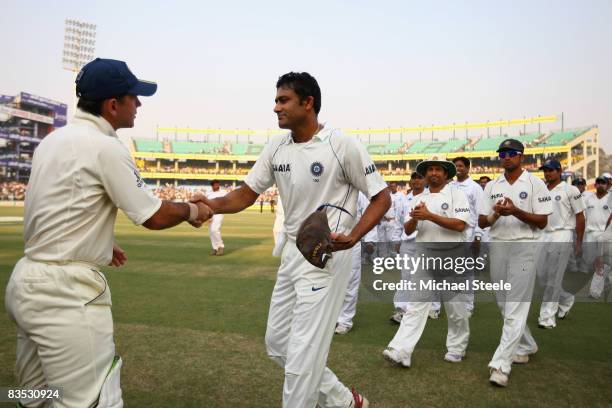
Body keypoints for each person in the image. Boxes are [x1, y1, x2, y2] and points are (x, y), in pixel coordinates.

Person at [4, 58, 213, 408]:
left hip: (26, 283)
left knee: (36, 397)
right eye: (134, 96)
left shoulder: (53, 142)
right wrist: (193, 210)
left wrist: (97, 239)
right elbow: (154, 216)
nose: (139, 103)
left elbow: (53, 207)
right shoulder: (106, 146)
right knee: (91, 402)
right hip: (65, 295)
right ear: (113, 104)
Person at [191, 72, 389, 408]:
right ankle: (343, 400)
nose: (275, 107)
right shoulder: (277, 146)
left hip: (327, 255)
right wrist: (209, 204)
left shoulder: (342, 145)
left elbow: (381, 197)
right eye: (276, 100)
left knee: (302, 354)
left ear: (307, 103)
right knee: (278, 343)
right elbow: (245, 194)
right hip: (294, 252)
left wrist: (354, 236)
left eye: (283, 100)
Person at [383, 157, 471, 367]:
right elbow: (408, 229)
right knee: (416, 305)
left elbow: (459, 225)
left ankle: (457, 347)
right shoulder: (417, 198)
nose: (433, 173)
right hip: (424, 255)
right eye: (429, 170)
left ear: (446, 174)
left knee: (455, 308)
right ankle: (401, 350)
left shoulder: (457, 194)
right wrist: (416, 218)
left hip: (451, 255)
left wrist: (429, 216)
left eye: (437, 170)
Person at [478, 139, 552, 387]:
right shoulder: (491, 186)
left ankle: (501, 365)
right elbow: (482, 222)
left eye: (511, 153)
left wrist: (516, 211)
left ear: (521, 156)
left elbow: (541, 222)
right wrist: (497, 213)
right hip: (498, 246)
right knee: (503, 303)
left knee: (515, 306)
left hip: (524, 247)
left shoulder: (534, 183)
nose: (506, 157)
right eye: (502, 153)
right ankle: (527, 344)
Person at [535, 160, 585, 328]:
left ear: (559, 171)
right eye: (545, 171)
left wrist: (579, 242)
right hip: (543, 235)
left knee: (554, 278)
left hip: (562, 234)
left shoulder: (571, 190)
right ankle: (566, 298)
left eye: (551, 170)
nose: (547, 173)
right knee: (541, 277)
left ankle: (547, 318)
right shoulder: (541, 189)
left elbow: (580, 217)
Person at [449, 157, 484, 316]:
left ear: (468, 168)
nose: (458, 168)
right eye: (455, 166)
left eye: (461, 166)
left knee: (467, 272)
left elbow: (479, 213)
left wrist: (477, 236)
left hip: (468, 232)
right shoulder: (451, 186)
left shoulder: (475, 188)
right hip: (452, 232)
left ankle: (468, 305)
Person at [390, 172, 425, 323]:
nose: (416, 181)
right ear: (410, 182)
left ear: (424, 180)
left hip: (425, 241)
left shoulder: (430, 197)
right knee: (406, 276)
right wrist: (397, 241)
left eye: (419, 178)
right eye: (414, 178)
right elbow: (398, 222)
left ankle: (433, 307)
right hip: (407, 242)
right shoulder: (404, 199)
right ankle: (402, 308)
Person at [335, 192, 371, 335]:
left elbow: (368, 216)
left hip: (352, 241)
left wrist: (370, 240)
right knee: (330, 281)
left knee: (350, 282)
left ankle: (345, 321)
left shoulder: (359, 195)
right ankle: (332, 317)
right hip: (329, 241)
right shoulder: (329, 188)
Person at [207, 180, 226, 255]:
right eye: (215, 185)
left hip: (219, 212)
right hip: (210, 213)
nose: (217, 186)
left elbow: (225, 202)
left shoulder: (223, 192)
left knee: (215, 229)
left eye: (218, 184)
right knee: (211, 232)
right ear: (212, 186)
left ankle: (221, 246)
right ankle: (215, 248)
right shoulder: (208, 193)